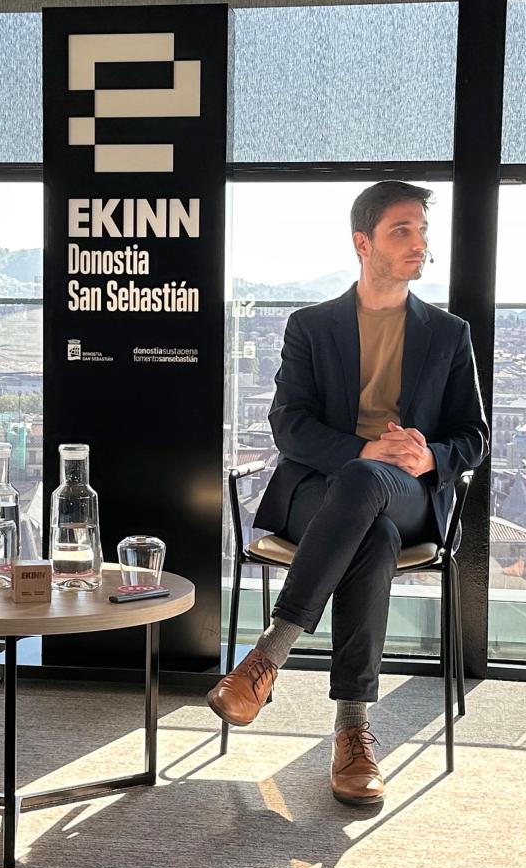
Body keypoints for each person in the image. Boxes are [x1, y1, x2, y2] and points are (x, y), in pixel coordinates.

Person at [206, 181, 488, 805]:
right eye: (401, 230)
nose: (419, 242)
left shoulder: (447, 333)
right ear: (363, 243)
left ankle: (265, 658)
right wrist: (362, 450)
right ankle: (353, 731)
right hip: (323, 492)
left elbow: (474, 435)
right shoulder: (311, 326)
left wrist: (428, 455)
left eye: (421, 229)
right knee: (371, 531)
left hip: (410, 493)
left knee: (374, 494)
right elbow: (289, 424)